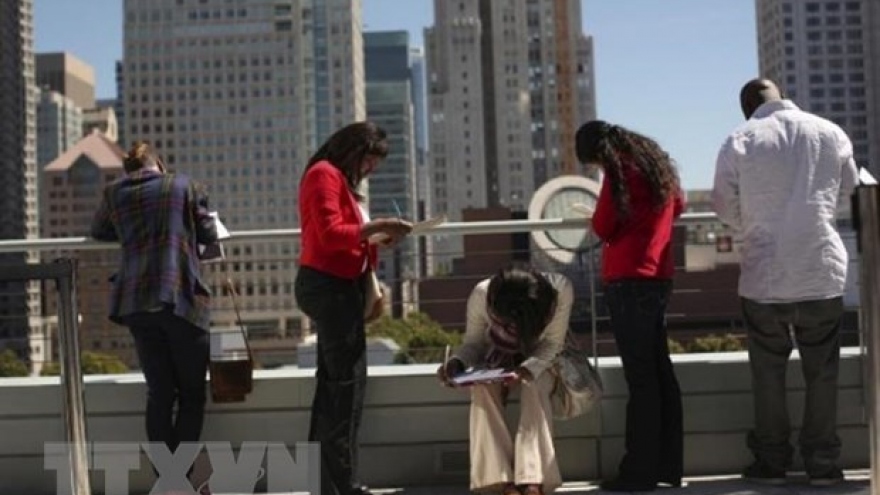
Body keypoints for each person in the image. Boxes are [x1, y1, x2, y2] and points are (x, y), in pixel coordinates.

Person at [712, 78, 858, 487]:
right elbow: (849, 189)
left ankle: (773, 462)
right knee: (822, 373)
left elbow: (723, 205)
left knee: (768, 374)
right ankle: (822, 464)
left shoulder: (739, 139)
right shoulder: (829, 132)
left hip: (765, 276)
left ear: (748, 108)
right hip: (820, 270)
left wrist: (754, 225)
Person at [91, 141, 218, 491]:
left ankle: (168, 482)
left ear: (128, 170)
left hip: (136, 303)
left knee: (160, 394)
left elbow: (99, 231)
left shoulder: (113, 193)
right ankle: (178, 482)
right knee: (192, 394)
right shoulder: (183, 185)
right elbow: (209, 234)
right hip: (179, 298)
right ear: (158, 164)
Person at [294, 121, 413, 495]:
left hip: (337, 287)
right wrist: (379, 225)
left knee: (335, 388)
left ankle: (325, 483)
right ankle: (344, 484)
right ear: (352, 150)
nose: (370, 168)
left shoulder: (336, 179)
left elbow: (344, 236)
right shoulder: (324, 175)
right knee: (346, 389)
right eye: (369, 160)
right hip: (328, 287)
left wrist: (377, 238)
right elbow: (330, 235)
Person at [575, 120, 684, 492]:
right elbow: (679, 205)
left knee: (641, 380)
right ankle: (668, 465)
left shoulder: (619, 170)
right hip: (659, 277)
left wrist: (597, 215)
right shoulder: (656, 166)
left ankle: (638, 471)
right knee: (660, 373)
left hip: (628, 279)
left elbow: (604, 225)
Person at [437, 265, 573, 495]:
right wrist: (457, 363)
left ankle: (533, 479)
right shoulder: (482, 295)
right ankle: (499, 479)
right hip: (496, 356)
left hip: (541, 358)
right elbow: (474, 344)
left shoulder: (560, 290)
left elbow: (552, 344)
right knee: (482, 388)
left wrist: (526, 370)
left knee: (535, 385)